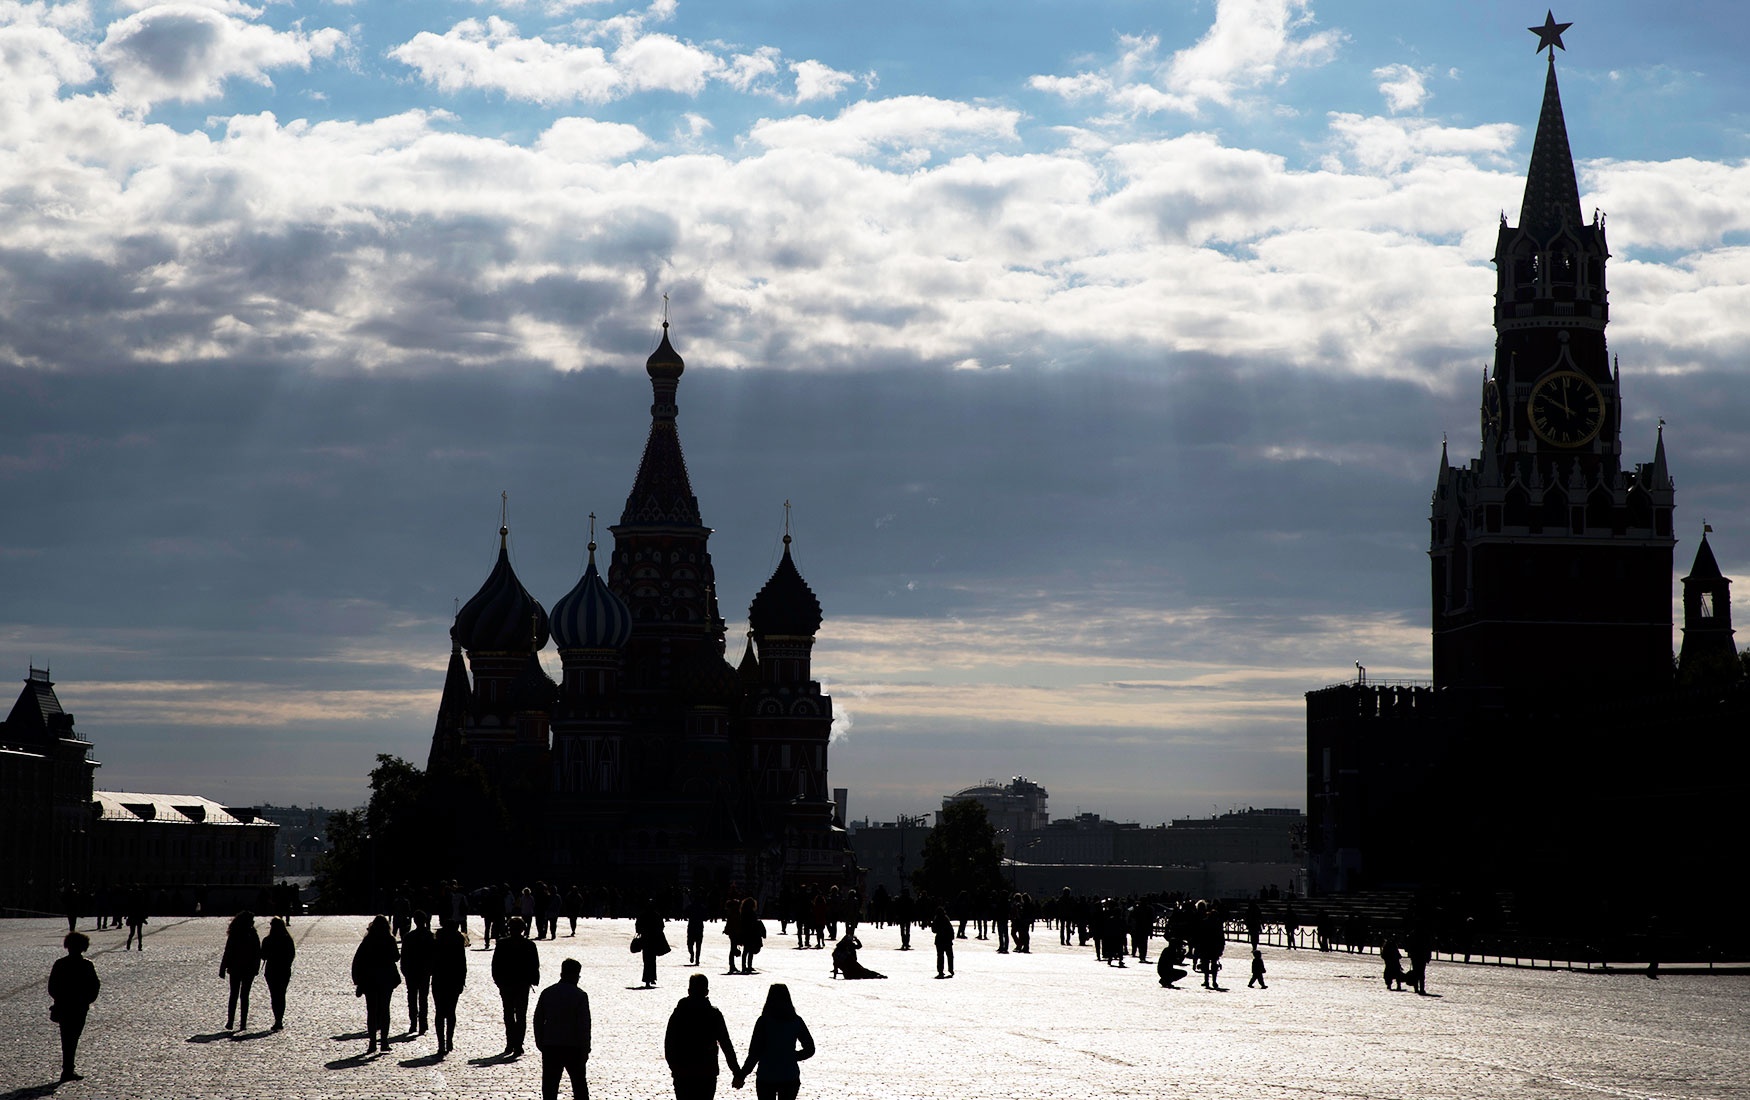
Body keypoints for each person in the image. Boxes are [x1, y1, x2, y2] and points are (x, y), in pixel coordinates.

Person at [666, 974, 739, 1100]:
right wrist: (736, 1072)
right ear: (706, 992)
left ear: (689, 991)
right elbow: (726, 1044)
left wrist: (674, 1067)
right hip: (707, 1071)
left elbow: (669, 1043)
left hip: (683, 1071)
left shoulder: (679, 1013)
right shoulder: (714, 1014)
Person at [734, 983, 814, 1100]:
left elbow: (754, 1053)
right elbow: (810, 1049)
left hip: (766, 1075)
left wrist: (742, 1075)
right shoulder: (796, 1021)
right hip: (789, 1075)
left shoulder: (763, 1022)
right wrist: (792, 1056)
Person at [533, 958, 590, 1100]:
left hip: (551, 1045)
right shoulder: (580, 995)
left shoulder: (548, 992)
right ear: (576, 975)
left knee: (550, 1087)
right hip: (574, 1047)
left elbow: (538, 1019)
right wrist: (585, 1048)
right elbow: (584, 1025)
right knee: (579, 1086)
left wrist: (540, 1041)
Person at [49, 930, 100, 1082]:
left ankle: (68, 1068)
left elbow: (52, 987)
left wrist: (59, 999)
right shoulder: (86, 965)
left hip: (64, 1006)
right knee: (73, 1037)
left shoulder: (60, 964)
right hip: (79, 1007)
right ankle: (68, 1069)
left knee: (67, 1037)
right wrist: (87, 1000)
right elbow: (94, 985)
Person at [351, 915, 402, 1054]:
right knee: (385, 1010)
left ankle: (372, 1042)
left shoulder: (368, 941)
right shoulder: (389, 939)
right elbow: (396, 957)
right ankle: (384, 1041)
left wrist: (358, 980)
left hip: (370, 980)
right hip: (386, 980)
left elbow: (358, 960)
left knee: (372, 1011)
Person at [493, 915, 541, 1056]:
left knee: (508, 1014)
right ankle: (518, 1044)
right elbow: (535, 965)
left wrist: (499, 981)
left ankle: (510, 1043)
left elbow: (496, 965)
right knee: (521, 1015)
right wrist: (533, 980)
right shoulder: (529, 945)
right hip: (522, 984)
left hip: (507, 984)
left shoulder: (502, 944)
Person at [431, 914, 468, 1056]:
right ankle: (449, 1040)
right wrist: (462, 980)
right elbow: (462, 964)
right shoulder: (458, 942)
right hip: (454, 980)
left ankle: (441, 1043)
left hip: (439, 979)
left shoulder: (437, 942)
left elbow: (432, 962)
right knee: (451, 1012)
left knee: (440, 1012)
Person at [220, 911, 262, 1031]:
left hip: (237, 968)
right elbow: (257, 952)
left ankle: (233, 1021)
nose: (253, 922)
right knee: (242, 995)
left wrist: (223, 967)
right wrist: (256, 967)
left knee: (236, 995)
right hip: (244, 969)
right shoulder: (251, 934)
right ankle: (240, 1022)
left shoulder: (236, 933)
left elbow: (228, 951)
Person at [402, 910, 435, 1034]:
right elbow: (434, 955)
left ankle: (413, 1023)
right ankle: (423, 1022)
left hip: (412, 971)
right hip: (424, 971)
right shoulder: (430, 936)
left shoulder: (409, 936)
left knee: (412, 998)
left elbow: (404, 956)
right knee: (423, 998)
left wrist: (405, 970)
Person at [261, 916, 296, 1031]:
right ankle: (279, 1019)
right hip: (284, 970)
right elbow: (291, 955)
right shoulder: (287, 939)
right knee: (281, 995)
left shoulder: (267, 940)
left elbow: (263, 955)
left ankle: (277, 1019)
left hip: (272, 970)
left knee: (274, 995)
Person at [635, 900, 668, 988]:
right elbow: (661, 926)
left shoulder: (643, 915)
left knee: (646, 960)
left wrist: (641, 931)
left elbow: (638, 926)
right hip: (654, 940)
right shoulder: (656, 915)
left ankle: (647, 979)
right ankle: (652, 977)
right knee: (652, 960)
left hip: (646, 939)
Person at [931, 906, 955, 979]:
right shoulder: (946, 919)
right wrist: (951, 937)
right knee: (949, 956)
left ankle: (940, 971)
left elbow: (934, 930)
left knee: (940, 956)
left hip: (939, 940)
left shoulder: (936, 919)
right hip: (947, 940)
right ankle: (951, 969)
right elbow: (951, 929)